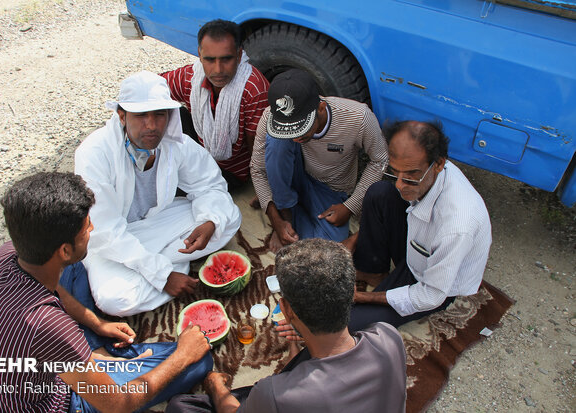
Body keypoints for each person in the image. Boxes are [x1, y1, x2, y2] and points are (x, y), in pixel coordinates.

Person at [0, 172, 213, 413]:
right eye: (86, 228)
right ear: (63, 249)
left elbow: (57, 290)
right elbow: (120, 404)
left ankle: (94, 349)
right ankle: (97, 357)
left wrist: (96, 323)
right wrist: (183, 355)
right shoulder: (48, 325)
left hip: (31, 366)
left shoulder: (6, 253)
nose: (92, 228)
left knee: (75, 267)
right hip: (61, 401)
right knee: (198, 361)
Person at [166, 238, 407, 413]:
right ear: (350, 293)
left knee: (181, 406)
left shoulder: (276, 394)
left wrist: (215, 386)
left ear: (286, 309)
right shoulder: (388, 336)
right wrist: (299, 344)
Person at [74, 71, 241, 317]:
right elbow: (105, 230)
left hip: (156, 225)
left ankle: (160, 264)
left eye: (159, 115)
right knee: (115, 300)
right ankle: (174, 266)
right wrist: (162, 276)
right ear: (122, 115)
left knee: (229, 219)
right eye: (141, 116)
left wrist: (208, 219)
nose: (151, 126)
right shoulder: (94, 154)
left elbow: (209, 184)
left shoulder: (175, 143)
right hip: (113, 240)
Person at [344, 120, 492, 331]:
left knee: (347, 323)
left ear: (439, 164)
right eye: (395, 172)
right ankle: (373, 271)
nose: (399, 184)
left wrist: (364, 297)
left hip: (429, 282)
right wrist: (355, 238)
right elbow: (399, 192)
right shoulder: (423, 172)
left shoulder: (457, 225)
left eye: (411, 176)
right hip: (415, 249)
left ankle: (384, 285)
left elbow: (430, 296)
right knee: (380, 193)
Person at [250, 69, 388, 251]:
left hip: (330, 190)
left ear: (321, 108)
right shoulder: (270, 116)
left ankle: (280, 203)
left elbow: (380, 160)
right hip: (292, 174)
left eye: (300, 130)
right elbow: (257, 169)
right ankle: (285, 213)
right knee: (277, 140)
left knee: (325, 249)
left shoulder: (358, 117)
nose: (295, 138)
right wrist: (276, 220)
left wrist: (350, 206)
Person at [161, 19, 269, 186]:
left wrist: (261, 186)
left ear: (239, 56)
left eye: (226, 59)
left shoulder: (254, 89)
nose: (218, 70)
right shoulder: (192, 77)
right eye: (210, 60)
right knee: (166, 111)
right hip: (200, 153)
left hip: (231, 171)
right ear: (199, 55)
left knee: (171, 188)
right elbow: (154, 87)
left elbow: (258, 147)